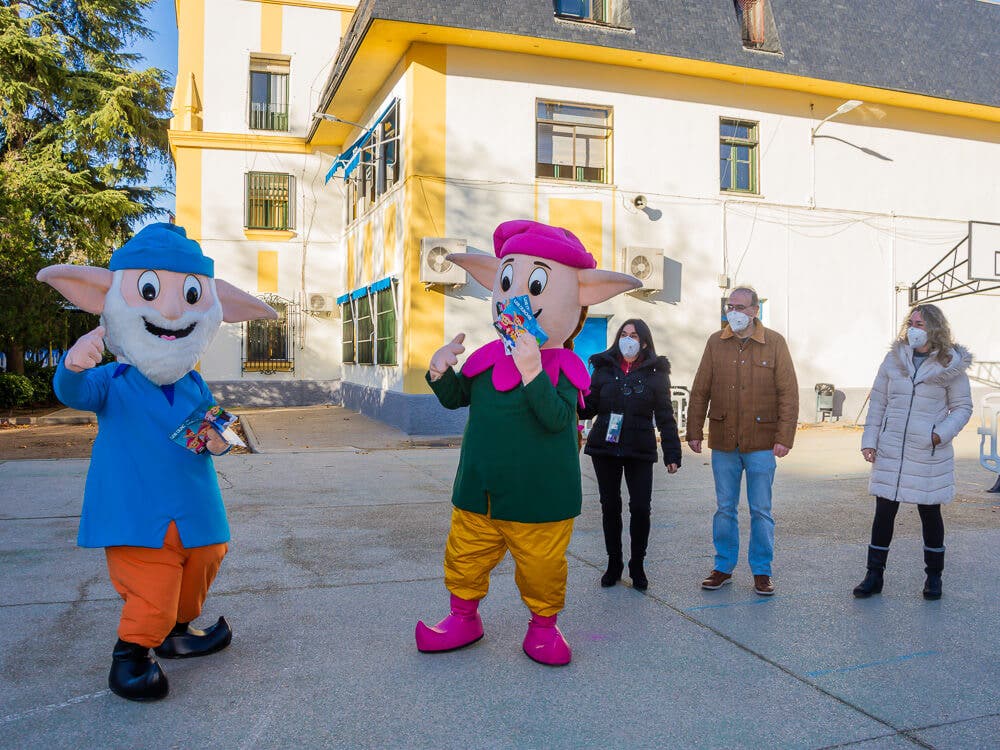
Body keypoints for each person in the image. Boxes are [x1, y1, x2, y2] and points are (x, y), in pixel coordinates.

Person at [37, 223, 277, 701]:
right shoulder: (113, 379)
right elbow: (74, 393)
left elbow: (211, 425)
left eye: (189, 295)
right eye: (150, 291)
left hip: (195, 505)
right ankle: (129, 656)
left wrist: (222, 440)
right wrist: (74, 364)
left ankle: (175, 632)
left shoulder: (193, 383)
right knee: (152, 584)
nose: (170, 310)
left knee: (204, 559)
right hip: (136, 510)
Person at [416, 219, 640, 666]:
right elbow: (458, 398)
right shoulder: (486, 358)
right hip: (478, 493)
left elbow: (559, 419)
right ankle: (464, 617)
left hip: (539, 501)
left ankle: (543, 627)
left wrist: (534, 369)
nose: (514, 297)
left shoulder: (565, 367)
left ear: (580, 296)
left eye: (535, 284)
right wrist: (441, 372)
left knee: (542, 569)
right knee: (465, 558)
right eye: (506, 280)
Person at [685, 286, 798, 596]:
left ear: (754, 311)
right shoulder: (715, 342)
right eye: (729, 306)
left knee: (761, 510)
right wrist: (693, 430)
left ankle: (762, 571)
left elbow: (788, 393)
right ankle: (723, 567)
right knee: (725, 509)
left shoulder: (774, 343)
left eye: (739, 306)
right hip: (724, 441)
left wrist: (784, 436)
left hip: (762, 442)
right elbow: (700, 389)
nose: (732, 312)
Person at [855, 304, 972, 600]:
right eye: (911, 322)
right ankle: (874, 575)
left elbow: (962, 407)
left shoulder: (950, 363)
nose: (913, 328)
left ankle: (934, 577)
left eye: (919, 323)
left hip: (927, 452)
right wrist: (870, 440)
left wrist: (938, 435)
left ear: (934, 328)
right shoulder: (894, 360)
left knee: (930, 512)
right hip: (892, 448)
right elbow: (878, 401)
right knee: (884, 513)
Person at [578, 319, 681, 591]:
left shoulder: (657, 373)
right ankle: (614, 563)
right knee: (610, 506)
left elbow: (665, 416)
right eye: (624, 334)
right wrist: (569, 397)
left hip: (639, 448)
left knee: (640, 508)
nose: (628, 339)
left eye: (634, 335)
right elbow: (589, 407)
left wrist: (672, 452)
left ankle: (637, 564)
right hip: (605, 448)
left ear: (644, 342)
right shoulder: (603, 368)